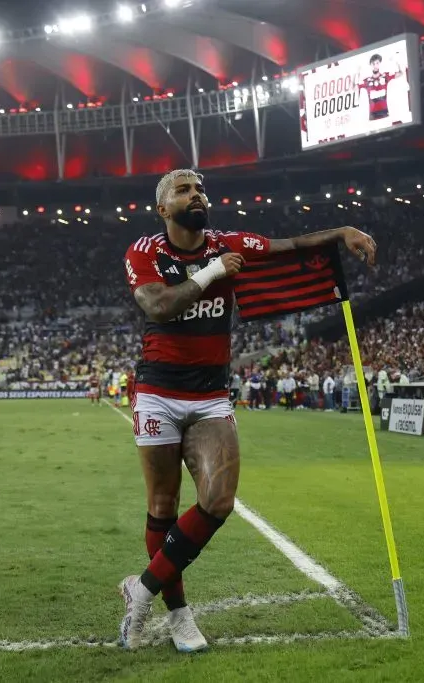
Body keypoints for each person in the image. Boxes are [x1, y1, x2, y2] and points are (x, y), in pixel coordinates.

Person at [117, 168, 376, 652]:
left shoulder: (228, 241)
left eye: (200, 189)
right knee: (162, 507)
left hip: (212, 394)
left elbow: (290, 246)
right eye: (184, 190)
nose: (196, 194)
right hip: (158, 391)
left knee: (218, 501)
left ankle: (142, 588)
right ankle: (179, 618)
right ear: (162, 208)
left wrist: (341, 233)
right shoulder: (145, 252)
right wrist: (214, 273)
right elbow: (158, 305)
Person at [357, 53, 402, 121]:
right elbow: (354, 87)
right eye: (373, 64)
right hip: (372, 115)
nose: (375, 66)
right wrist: (357, 72)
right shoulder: (367, 81)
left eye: (377, 63)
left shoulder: (385, 76)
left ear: (380, 64)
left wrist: (397, 62)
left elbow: (400, 73)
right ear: (370, 65)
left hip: (385, 112)